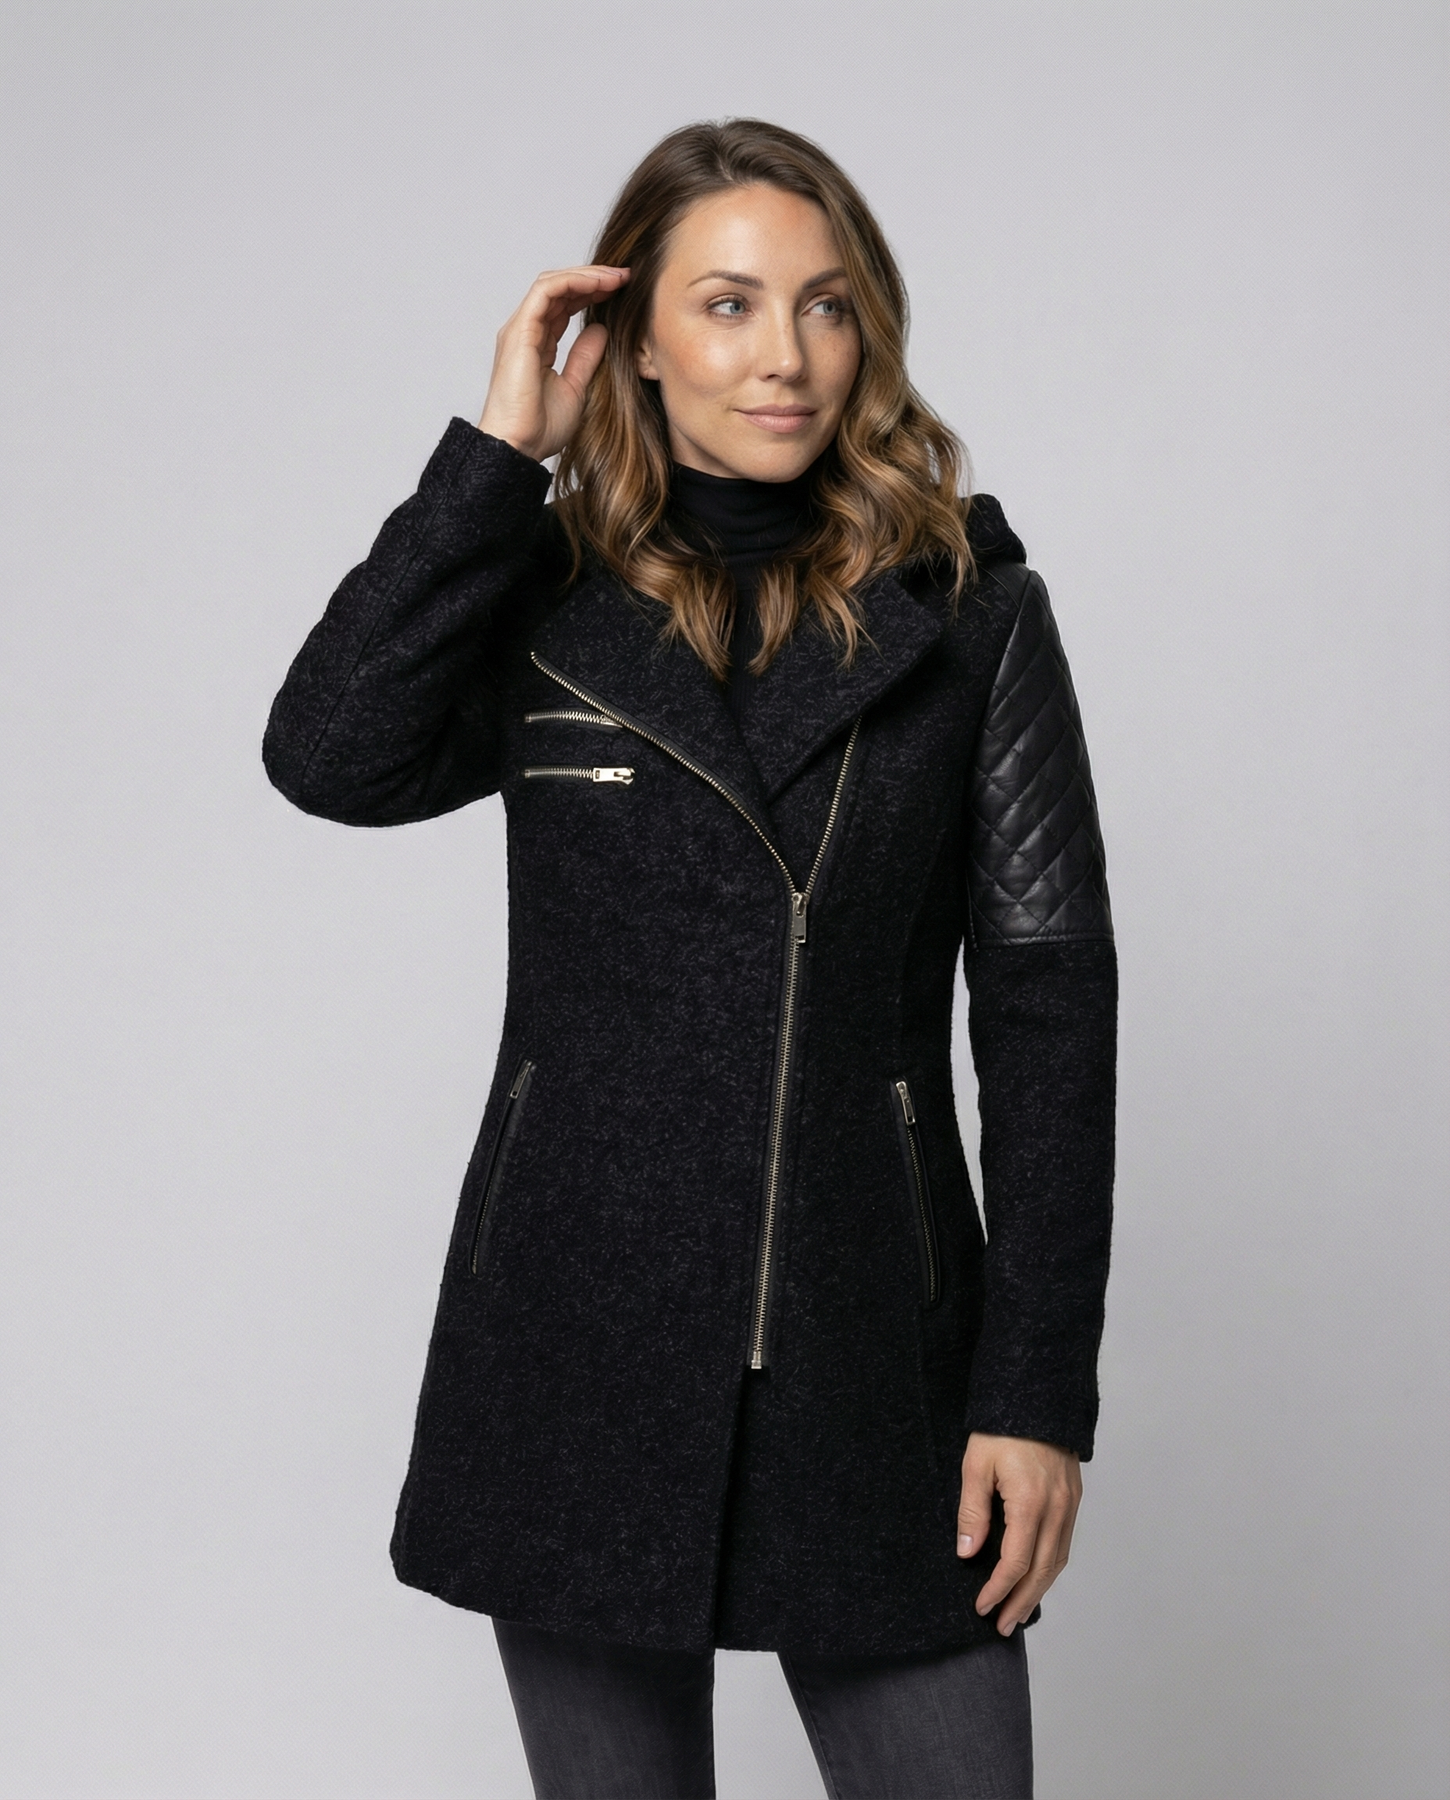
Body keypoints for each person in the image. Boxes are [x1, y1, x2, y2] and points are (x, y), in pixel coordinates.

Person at [263, 118, 1116, 1800]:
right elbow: (330, 757)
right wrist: (493, 460)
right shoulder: (539, 598)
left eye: (824, 304)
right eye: (726, 304)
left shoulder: (969, 613)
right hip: (575, 1334)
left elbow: (1048, 1009)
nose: (784, 354)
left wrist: (1034, 1392)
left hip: (870, 1343)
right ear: (634, 341)